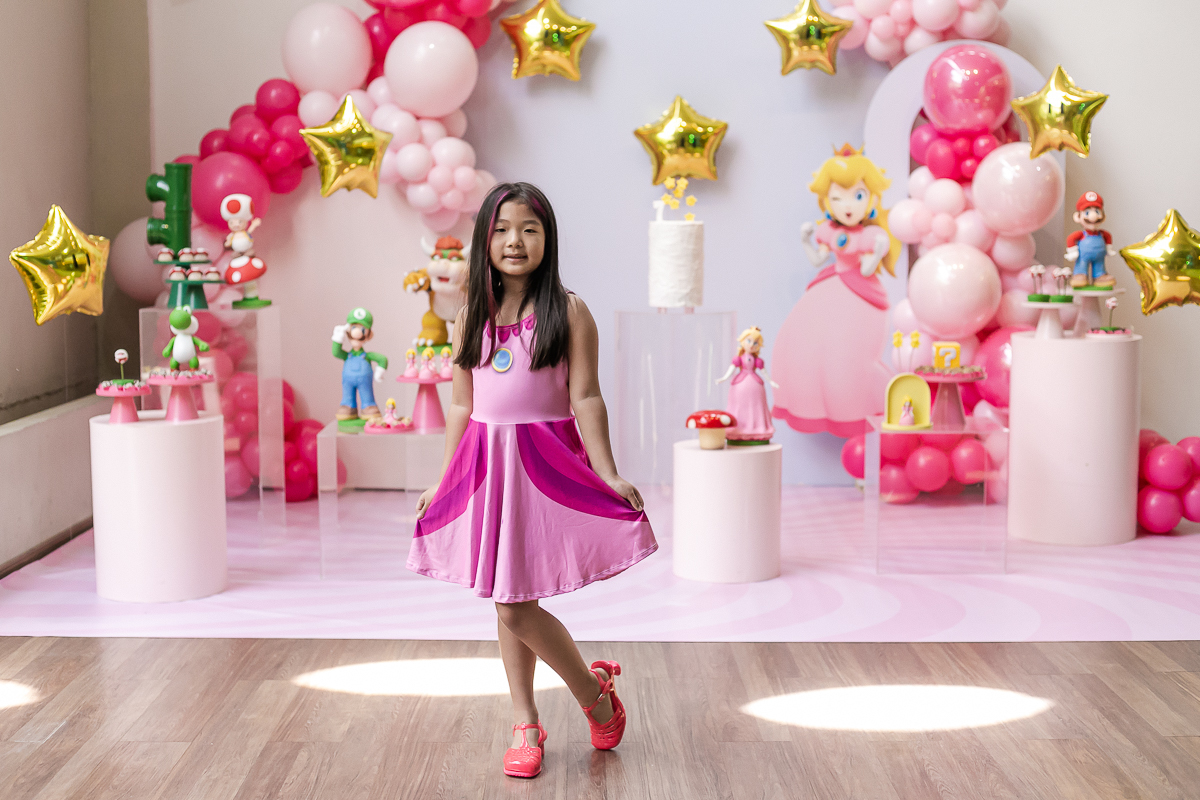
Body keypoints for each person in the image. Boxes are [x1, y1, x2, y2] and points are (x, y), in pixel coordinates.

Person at [407, 182, 657, 779]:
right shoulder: (470, 315)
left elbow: (586, 396)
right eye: (501, 229)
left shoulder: (569, 312)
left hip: (544, 464)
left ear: (547, 239)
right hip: (488, 465)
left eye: (529, 229)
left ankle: (593, 697)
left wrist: (608, 472)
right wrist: (441, 481)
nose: (514, 241)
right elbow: (463, 406)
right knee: (509, 597)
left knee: (515, 603)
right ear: (483, 240)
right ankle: (527, 718)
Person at [771, 144, 901, 438]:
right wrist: (806, 240)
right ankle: (817, 402)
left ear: (870, 198)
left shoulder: (870, 235)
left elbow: (867, 270)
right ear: (826, 201)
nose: (847, 206)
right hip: (831, 285)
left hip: (860, 291)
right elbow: (818, 258)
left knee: (850, 352)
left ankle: (860, 405)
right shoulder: (828, 232)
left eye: (856, 196)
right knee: (810, 345)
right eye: (837, 197)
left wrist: (878, 252)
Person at [716, 326, 776, 444]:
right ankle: (737, 428)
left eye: (755, 342)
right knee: (738, 407)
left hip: (756, 386)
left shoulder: (758, 361)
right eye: (749, 341)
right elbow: (731, 369)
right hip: (739, 386)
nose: (751, 345)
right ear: (742, 341)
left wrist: (771, 381)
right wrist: (723, 378)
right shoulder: (739, 359)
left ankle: (758, 428)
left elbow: (764, 372)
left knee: (756, 407)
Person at [332, 308, 387, 421]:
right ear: (348, 331)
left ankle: (368, 405)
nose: (357, 332)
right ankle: (348, 406)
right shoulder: (347, 356)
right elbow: (336, 352)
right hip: (348, 382)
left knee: (367, 394)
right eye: (353, 327)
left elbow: (382, 359)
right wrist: (338, 337)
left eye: (362, 329)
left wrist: (379, 372)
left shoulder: (367, 355)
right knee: (347, 395)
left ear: (369, 335)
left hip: (365, 382)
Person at [1065, 191, 1116, 288]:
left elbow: (1108, 237)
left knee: (1099, 265)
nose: (1093, 217)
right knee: (1081, 265)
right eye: (1087, 212)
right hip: (1082, 257)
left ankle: (1100, 275)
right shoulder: (1081, 234)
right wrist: (1072, 252)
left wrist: (1109, 249)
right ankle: (1080, 274)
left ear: (1103, 216)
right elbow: (1071, 238)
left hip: (1099, 258)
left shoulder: (1103, 234)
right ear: (1078, 216)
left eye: (1097, 211)